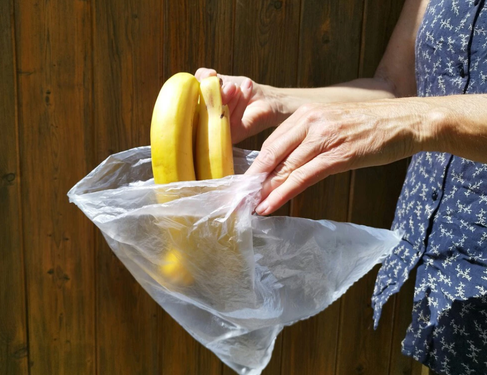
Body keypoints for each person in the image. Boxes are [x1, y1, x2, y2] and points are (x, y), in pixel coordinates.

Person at [196, 0, 487, 373]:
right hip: (439, 268)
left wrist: (420, 119)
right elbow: (394, 88)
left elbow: (408, 110)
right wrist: (272, 98)